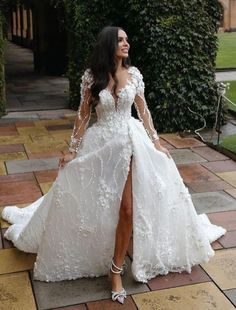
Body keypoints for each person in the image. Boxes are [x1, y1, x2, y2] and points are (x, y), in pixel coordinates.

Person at [1, 26, 226, 305]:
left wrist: (156, 143)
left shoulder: (134, 75)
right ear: (109, 44)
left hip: (132, 143)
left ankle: (116, 270)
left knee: (128, 208)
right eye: (121, 40)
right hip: (102, 145)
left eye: (127, 39)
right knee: (100, 201)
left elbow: (143, 112)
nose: (126, 43)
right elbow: (84, 115)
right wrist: (72, 151)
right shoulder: (92, 77)